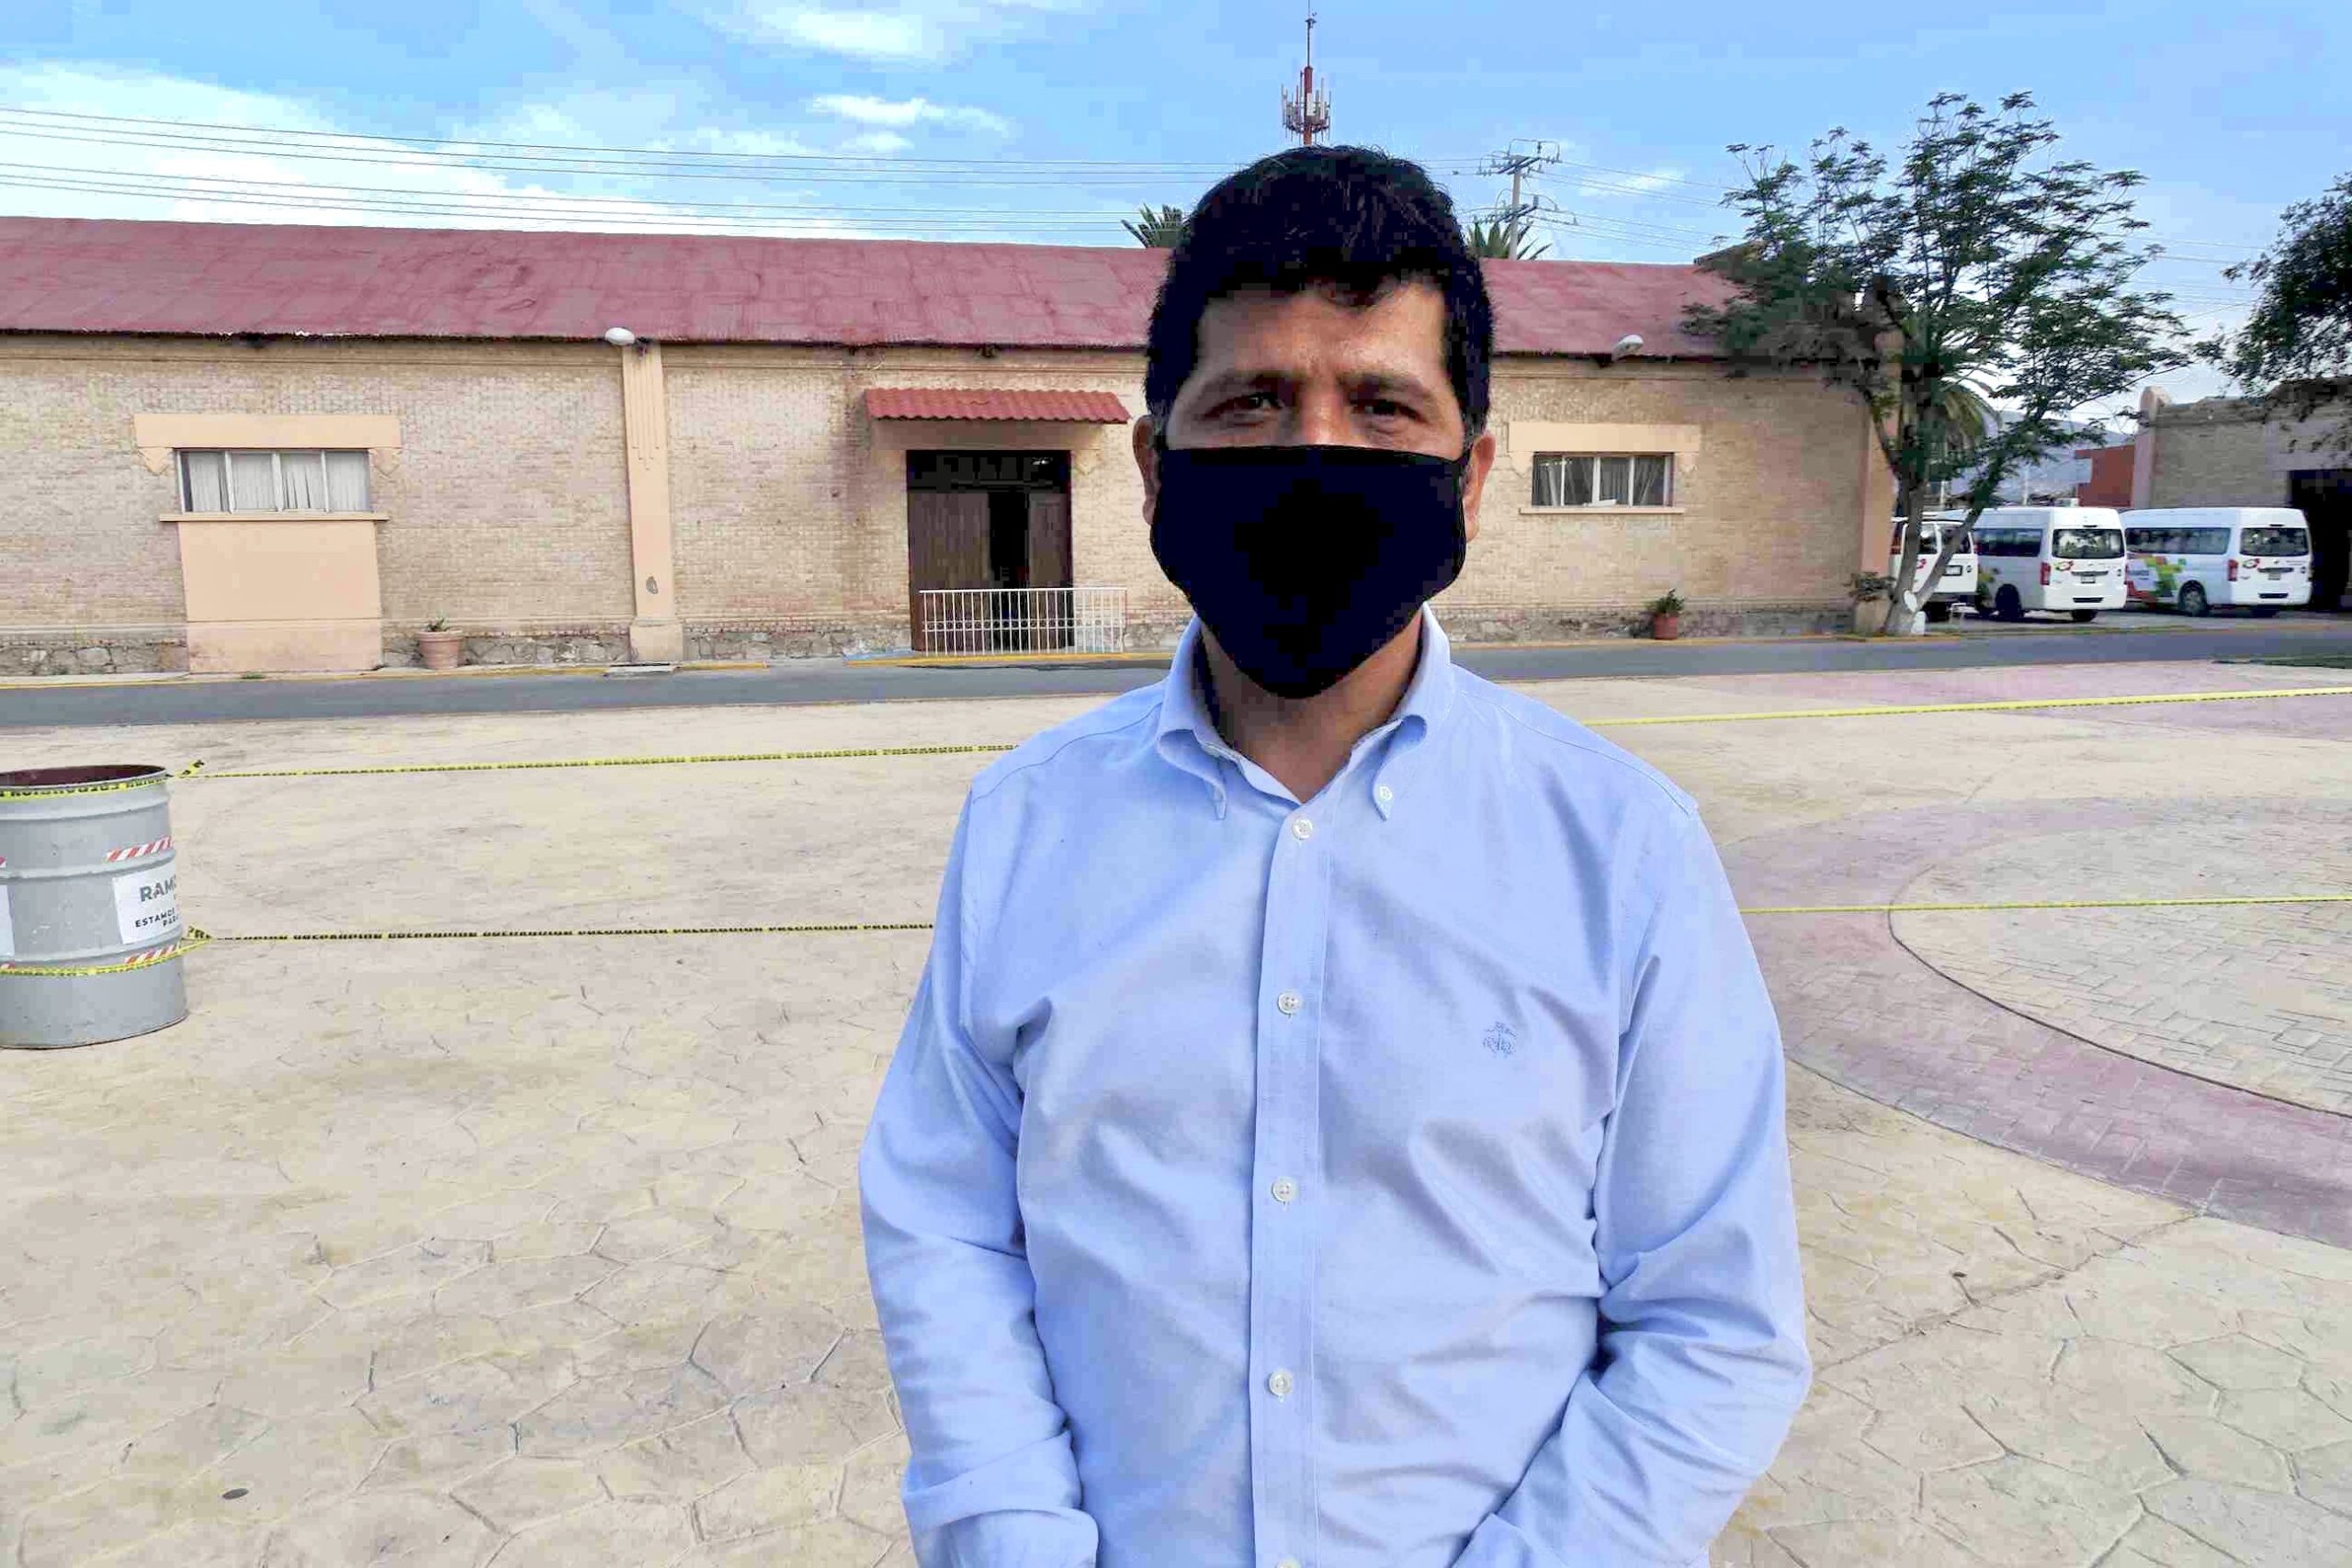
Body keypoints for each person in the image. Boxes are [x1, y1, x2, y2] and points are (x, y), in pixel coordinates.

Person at [860, 145, 1810, 1568]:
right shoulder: (1029, 823)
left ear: (1469, 475)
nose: (1315, 453)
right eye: (1251, 402)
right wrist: (1011, 1538)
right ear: (1154, 468)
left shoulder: (1622, 848)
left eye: (1382, 405)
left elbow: (1711, 1321)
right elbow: (947, 1223)